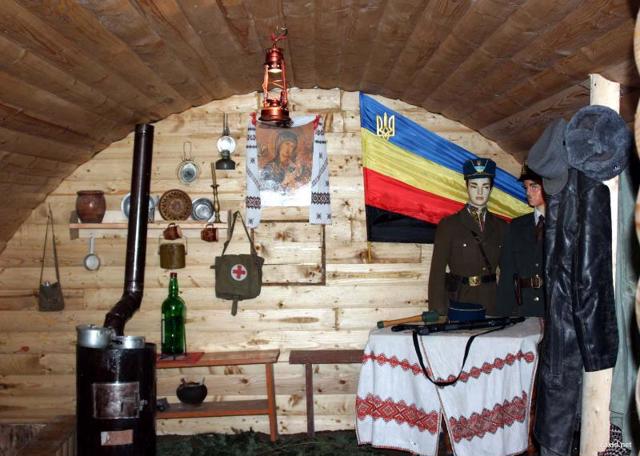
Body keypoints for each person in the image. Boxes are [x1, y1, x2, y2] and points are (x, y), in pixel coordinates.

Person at [428, 158, 507, 317]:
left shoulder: (501, 227)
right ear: (467, 187)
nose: (480, 192)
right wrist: (437, 310)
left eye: (485, 187)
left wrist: (509, 307)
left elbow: (508, 271)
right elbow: (437, 271)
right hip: (460, 301)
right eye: (474, 186)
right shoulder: (449, 225)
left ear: (491, 189)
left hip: (492, 303)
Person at [496, 163, 546, 318]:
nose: (528, 192)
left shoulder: (564, 226)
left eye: (534, 186)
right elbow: (507, 274)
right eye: (526, 187)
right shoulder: (516, 226)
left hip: (554, 308)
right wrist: (504, 314)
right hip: (524, 308)